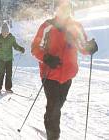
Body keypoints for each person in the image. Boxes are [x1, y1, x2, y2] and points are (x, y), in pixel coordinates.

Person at [31, 1, 98, 140]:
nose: (64, 10)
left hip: (68, 75)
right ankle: (53, 135)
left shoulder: (76, 26)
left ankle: (49, 120)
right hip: (50, 74)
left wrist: (89, 47)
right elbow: (35, 48)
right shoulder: (47, 26)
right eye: (61, 8)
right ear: (56, 9)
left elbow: (82, 46)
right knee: (55, 108)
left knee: (56, 107)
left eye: (67, 7)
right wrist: (47, 58)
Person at [0, 22, 25, 94]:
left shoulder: (11, 38)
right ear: (1, 31)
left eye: (6, 32)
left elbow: (15, 46)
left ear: (8, 32)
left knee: (9, 73)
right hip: (1, 58)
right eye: (3, 32)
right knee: (1, 73)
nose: (5, 34)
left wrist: (21, 48)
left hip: (9, 58)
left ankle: (8, 88)